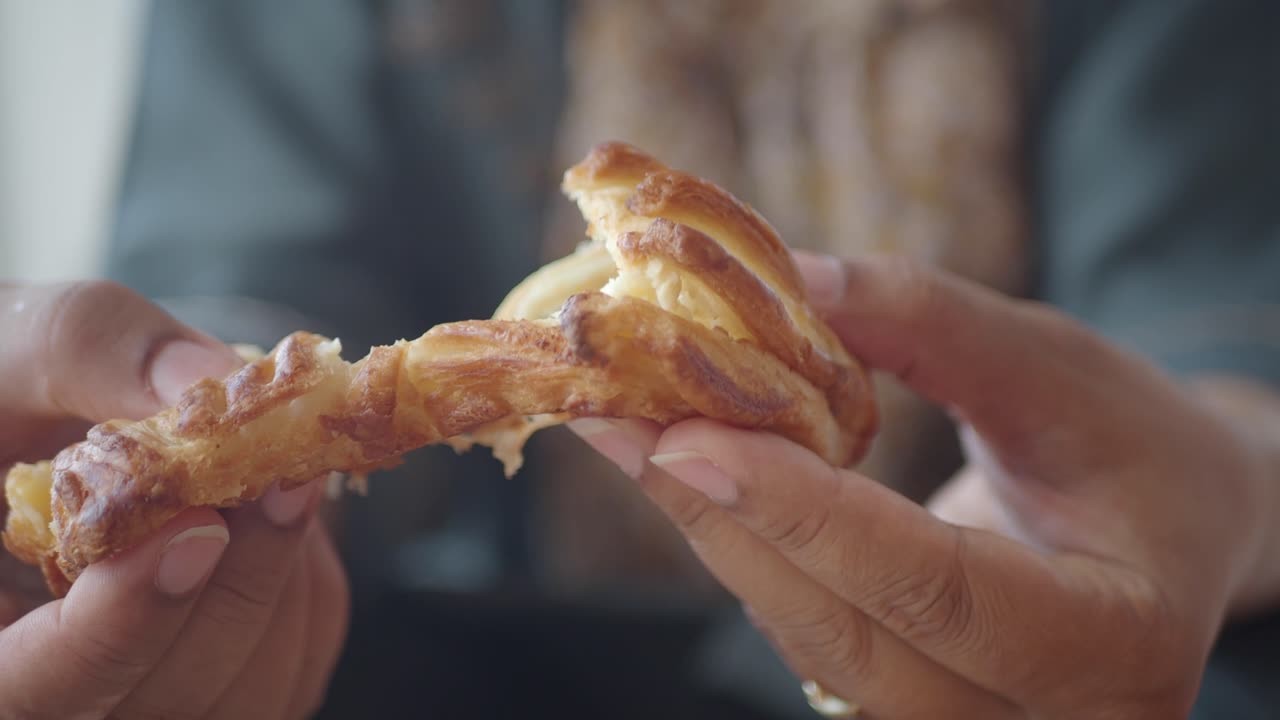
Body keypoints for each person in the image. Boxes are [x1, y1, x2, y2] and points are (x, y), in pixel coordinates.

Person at [3, 0, 1278, 718]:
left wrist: (1213, 487)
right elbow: (246, 277)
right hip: (466, 647)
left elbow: (1219, 333)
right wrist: (128, 435)